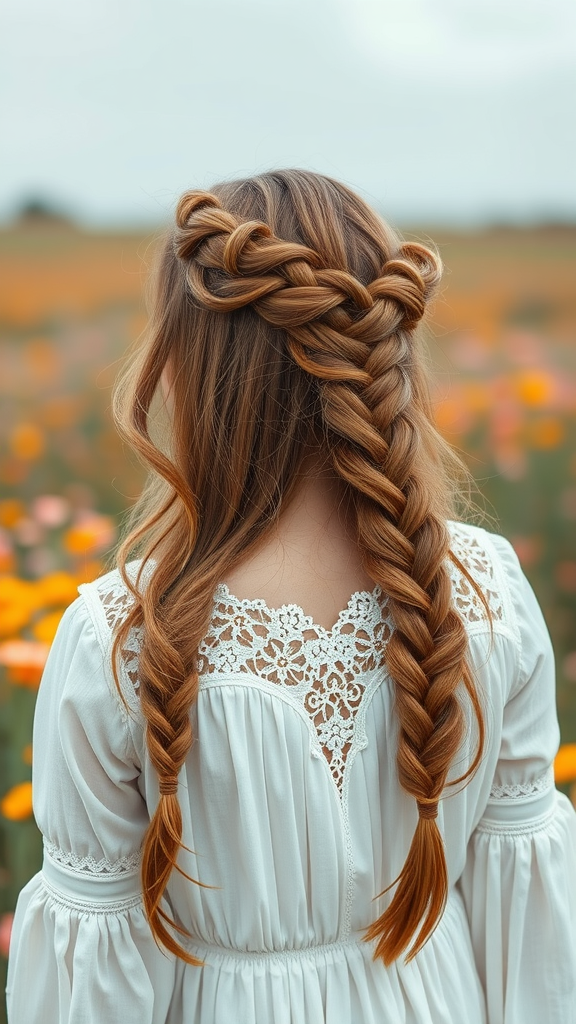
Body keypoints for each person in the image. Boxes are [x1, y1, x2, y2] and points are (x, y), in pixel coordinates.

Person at [6, 169, 576, 1024]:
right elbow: (530, 948)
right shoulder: (484, 591)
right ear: (391, 351)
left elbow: (93, 992)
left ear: (188, 371)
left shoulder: (116, 639)